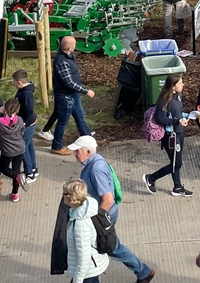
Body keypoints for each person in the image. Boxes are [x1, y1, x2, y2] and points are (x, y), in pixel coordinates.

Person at [69, 136, 155, 282]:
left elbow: (108, 199)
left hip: (103, 213)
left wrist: (96, 220)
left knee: (105, 247)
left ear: (88, 152)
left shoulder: (96, 169)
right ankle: (143, 272)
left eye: (77, 151)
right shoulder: (96, 161)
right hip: (104, 212)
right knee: (106, 247)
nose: (74, 154)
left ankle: (144, 271)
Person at [144, 74, 192, 196]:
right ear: (173, 86)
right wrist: (176, 121)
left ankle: (177, 187)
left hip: (179, 133)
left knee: (175, 161)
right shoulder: (165, 100)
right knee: (177, 163)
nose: (183, 84)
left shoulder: (177, 96)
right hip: (171, 136)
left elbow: (178, 113)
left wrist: (189, 115)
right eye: (180, 83)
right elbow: (160, 118)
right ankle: (151, 178)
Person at [50, 36, 96, 155]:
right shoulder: (62, 61)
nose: (75, 47)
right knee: (62, 122)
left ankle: (88, 140)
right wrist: (86, 91)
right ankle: (56, 146)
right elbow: (69, 82)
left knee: (80, 117)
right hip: (65, 97)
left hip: (72, 94)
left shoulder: (68, 57)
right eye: (74, 45)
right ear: (69, 47)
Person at [59, 179, 110, 283]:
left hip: (87, 272)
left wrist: (77, 280)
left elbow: (84, 257)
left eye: (64, 193)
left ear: (71, 198)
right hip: (91, 268)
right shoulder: (85, 209)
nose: (62, 196)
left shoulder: (81, 225)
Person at [11, 71, 39, 184]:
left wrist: (23, 123)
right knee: (29, 145)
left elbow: (29, 110)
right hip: (30, 123)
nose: (12, 83)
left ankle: (29, 173)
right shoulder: (24, 90)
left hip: (27, 124)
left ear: (19, 82)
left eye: (13, 81)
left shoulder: (26, 94)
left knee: (22, 148)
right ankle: (33, 168)